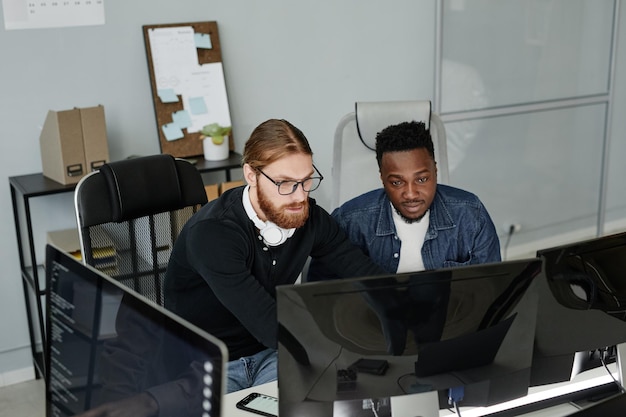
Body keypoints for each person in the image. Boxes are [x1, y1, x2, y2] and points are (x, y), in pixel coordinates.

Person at [163, 118, 385, 394]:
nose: (299, 196)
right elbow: (268, 323)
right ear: (251, 175)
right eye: (284, 183)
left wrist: (405, 313)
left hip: (271, 354)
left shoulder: (309, 218)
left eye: (306, 181)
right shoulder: (213, 234)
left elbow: (366, 275)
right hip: (203, 363)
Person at [308, 120, 500, 280]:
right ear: (382, 177)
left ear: (435, 170)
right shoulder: (349, 221)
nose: (410, 194)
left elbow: (492, 288)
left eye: (422, 179)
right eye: (397, 182)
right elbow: (320, 298)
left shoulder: (471, 215)